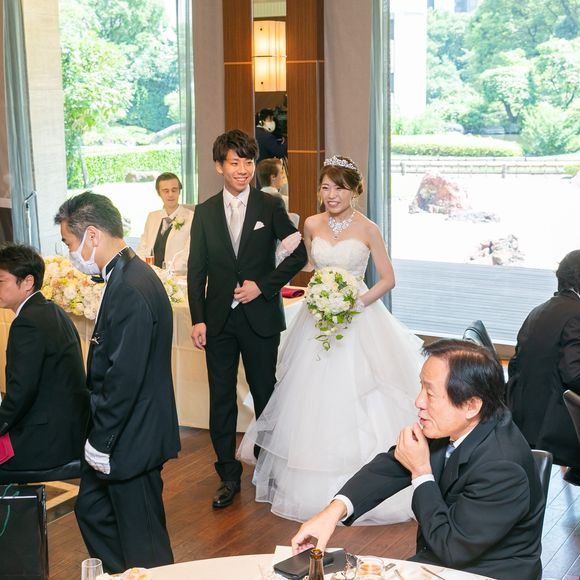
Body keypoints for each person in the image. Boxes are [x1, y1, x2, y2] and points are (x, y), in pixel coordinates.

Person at [238, 155, 424, 524]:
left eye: (339, 187)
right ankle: (307, 485)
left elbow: (388, 279)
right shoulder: (311, 223)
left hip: (358, 319)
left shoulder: (369, 229)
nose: (332, 194)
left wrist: (356, 302)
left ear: (354, 190)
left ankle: (366, 485)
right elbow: (309, 266)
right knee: (309, 395)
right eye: (325, 187)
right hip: (317, 317)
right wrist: (283, 255)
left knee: (363, 391)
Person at [291, 339, 545, 580]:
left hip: (486, 570)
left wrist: (422, 472)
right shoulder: (455, 424)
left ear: (471, 405)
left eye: (430, 393)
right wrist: (333, 511)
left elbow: (453, 548)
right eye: (421, 386)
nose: (419, 401)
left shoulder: (502, 467)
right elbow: (394, 464)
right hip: (444, 553)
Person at [55, 192, 180, 573]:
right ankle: (121, 575)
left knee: (145, 542)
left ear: (92, 235)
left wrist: (102, 441)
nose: (70, 254)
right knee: (92, 509)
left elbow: (124, 376)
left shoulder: (130, 285)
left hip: (132, 432)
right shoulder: (124, 275)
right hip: (124, 427)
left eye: (69, 243)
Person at [187, 129, 307, 509]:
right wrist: (198, 319)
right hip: (218, 321)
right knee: (221, 398)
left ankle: (270, 468)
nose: (243, 170)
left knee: (266, 394)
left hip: (260, 318)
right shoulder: (205, 212)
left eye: (249, 162)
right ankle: (227, 475)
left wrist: (263, 287)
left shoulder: (270, 205)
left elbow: (299, 254)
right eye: (235, 162)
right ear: (218, 166)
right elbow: (196, 270)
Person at [0, 243, 89, 477]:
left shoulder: (27, 323)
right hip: (70, 432)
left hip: (45, 441)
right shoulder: (52, 311)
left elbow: (21, 392)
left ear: (27, 282)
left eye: (1, 281)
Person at [507, 249, 580, 485]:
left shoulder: (540, 310)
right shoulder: (576, 315)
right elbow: (574, 374)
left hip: (524, 417)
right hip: (555, 425)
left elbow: (515, 364)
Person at [136, 172, 193, 272]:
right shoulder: (152, 217)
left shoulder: (192, 217)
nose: (170, 194)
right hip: (151, 274)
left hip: (177, 275)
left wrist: (167, 272)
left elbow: (188, 253)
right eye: (166, 191)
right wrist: (145, 270)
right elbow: (143, 247)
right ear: (159, 193)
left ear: (179, 191)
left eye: (174, 190)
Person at [255, 109, 287, 176]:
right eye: (270, 119)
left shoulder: (254, 132)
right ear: (261, 121)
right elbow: (279, 152)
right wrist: (285, 142)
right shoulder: (266, 136)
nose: (272, 122)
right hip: (264, 171)